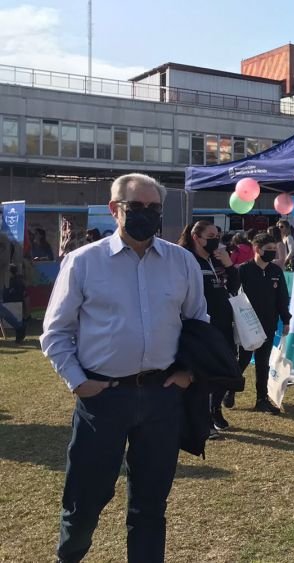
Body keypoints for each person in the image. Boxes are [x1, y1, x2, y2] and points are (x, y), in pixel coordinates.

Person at [40, 173, 207, 563]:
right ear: (115, 210)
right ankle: (70, 555)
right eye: (137, 208)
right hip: (103, 398)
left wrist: (187, 374)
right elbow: (56, 332)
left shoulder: (181, 262)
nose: (147, 215)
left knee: (150, 504)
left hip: (161, 398)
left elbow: (199, 325)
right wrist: (78, 382)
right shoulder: (84, 262)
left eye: (154, 209)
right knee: (85, 499)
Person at [178, 220, 240, 437]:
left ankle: (215, 410)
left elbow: (233, 287)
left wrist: (230, 265)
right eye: (211, 236)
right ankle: (202, 421)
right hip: (199, 325)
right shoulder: (187, 259)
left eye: (218, 236)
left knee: (225, 368)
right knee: (201, 375)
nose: (216, 240)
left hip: (223, 323)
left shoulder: (217, 260)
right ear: (196, 237)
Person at [237, 233, 290, 414]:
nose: (272, 253)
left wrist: (286, 319)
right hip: (247, 325)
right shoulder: (243, 270)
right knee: (242, 360)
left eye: (274, 250)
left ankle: (261, 399)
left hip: (269, 323)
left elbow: (282, 297)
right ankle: (228, 389)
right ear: (257, 249)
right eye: (268, 250)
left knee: (262, 362)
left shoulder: (276, 271)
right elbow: (233, 296)